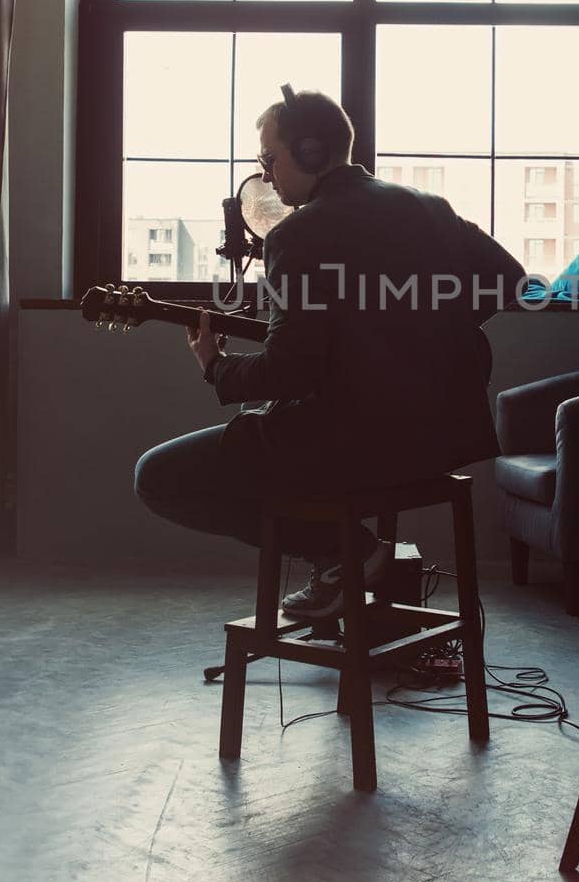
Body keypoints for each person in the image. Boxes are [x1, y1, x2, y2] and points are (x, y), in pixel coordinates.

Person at [134, 88, 525, 621]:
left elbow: (287, 372)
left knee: (157, 477)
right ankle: (345, 559)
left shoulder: (298, 234)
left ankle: (346, 554)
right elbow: (509, 279)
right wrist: (431, 328)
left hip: (352, 446)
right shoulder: (428, 207)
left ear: (312, 152)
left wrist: (216, 367)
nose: (266, 176)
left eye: (269, 159)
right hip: (439, 442)